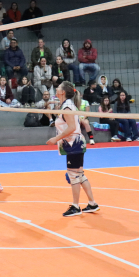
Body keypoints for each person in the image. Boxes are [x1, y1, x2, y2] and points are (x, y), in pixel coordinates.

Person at [45, 81, 99, 217]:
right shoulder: (67, 105)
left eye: (58, 87)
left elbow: (72, 127)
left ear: (62, 92)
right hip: (75, 143)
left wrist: (55, 139)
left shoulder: (67, 107)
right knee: (79, 174)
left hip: (73, 143)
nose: (56, 89)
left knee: (74, 176)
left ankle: (75, 206)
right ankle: (92, 203)